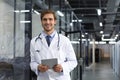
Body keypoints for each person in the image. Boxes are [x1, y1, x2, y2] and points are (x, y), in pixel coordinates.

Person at [30, 9, 78, 80]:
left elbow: (73, 61)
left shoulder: (65, 40)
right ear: (41, 22)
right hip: (44, 77)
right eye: (45, 19)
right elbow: (32, 62)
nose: (47, 22)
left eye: (50, 19)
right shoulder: (34, 42)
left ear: (55, 21)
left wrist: (62, 67)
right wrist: (38, 67)